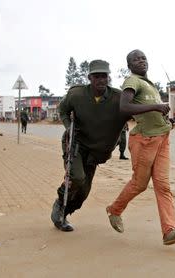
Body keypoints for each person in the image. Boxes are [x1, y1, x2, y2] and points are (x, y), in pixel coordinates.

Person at [106, 50, 175, 246]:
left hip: (162, 138)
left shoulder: (149, 84)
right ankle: (114, 210)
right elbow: (124, 107)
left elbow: (150, 108)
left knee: (163, 185)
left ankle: (169, 231)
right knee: (139, 184)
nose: (141, 61)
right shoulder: (132, 81)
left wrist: (163, 116)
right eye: (136, 59)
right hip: (145, 140)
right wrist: (155, 107)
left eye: (143, 58)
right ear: (129, 65)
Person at [50, 59, 129, 231]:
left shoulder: (118, 97)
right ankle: (59, 205)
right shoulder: (76, 95)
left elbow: (134, 111)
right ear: (89, 78)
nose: (101, 80)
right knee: (77, 177)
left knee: (83, 192)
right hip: (76, 143)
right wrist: (68, 127)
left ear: (108, 77)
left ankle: (65, 212)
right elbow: (63, 110)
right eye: (96, 76)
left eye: (104, 76)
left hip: (96, 151)